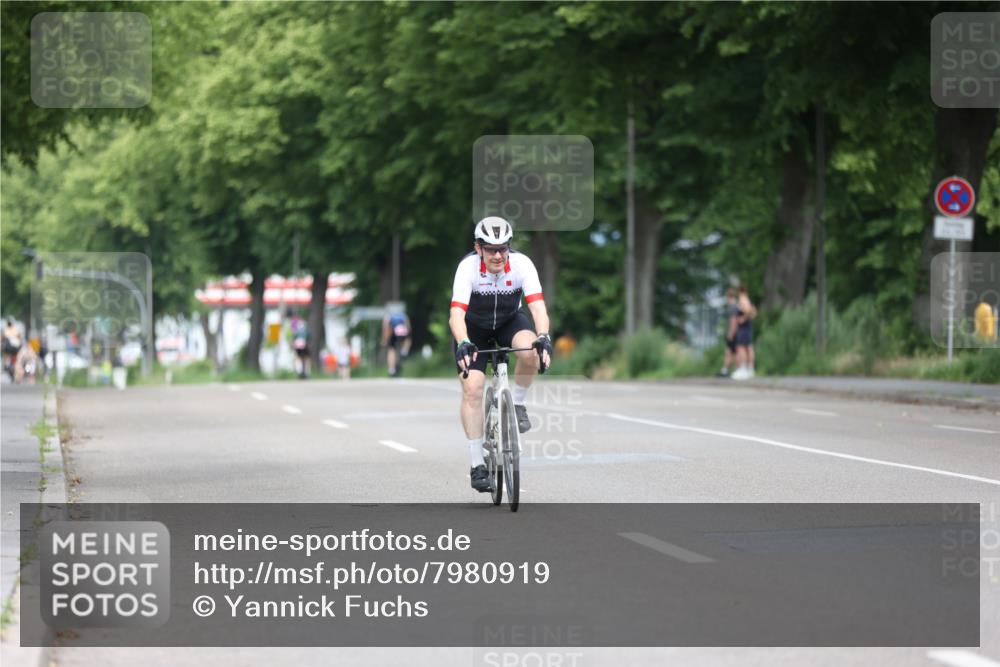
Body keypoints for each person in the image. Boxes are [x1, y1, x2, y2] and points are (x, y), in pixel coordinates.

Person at [450, 217, 552, 492]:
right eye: (490, 248)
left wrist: (543, 337)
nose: (497, 255)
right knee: (473, 388)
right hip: (474, 328)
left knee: (530, 351)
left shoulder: (522, 265)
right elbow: (456, 313)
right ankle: (477, 465)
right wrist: (463, 342)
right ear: (478, 248)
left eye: (503, 248)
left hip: (509, 321)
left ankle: (517, 403)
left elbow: (538, 308)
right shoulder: (467, 268)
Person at [731, 284, 757, 380]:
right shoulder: (748, 299)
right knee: (749, 347)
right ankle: (750, 368)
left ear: (739, 291)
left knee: (742, 348)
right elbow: (754, 312)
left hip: (743, 328)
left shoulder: (742, 299)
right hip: (748, 327)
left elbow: (749, 311)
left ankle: (743, 368)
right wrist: (749, 317)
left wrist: (743, 318)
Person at [382, 307, 411, 378]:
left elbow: (385, 327)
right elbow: (408, 326)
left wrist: (385, 340)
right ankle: (404, 351)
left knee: (391, 350)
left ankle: (391, 370)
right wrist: (408, 335)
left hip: (393, 330)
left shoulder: (388, 316)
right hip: (402, 329)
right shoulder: (403, 315)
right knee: (408, 339)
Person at [718, 289, 739, 377]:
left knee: (732, 353)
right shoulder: (736, 306)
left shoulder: (734, 307)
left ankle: (732, 370)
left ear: (729, 297)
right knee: (729, 352)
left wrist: (731, 333)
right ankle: (725, 370)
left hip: (733, 334)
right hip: (734, 333)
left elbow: (734, 321)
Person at [290, 315, 310, 379]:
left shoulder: (296, 331)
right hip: (304, 346)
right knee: (305, 359)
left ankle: (300, 372)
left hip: (298, 346)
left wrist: (293, 345)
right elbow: (309, 338)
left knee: (299, 358)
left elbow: (293, 338)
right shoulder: (306, 330)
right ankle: (304, 372)